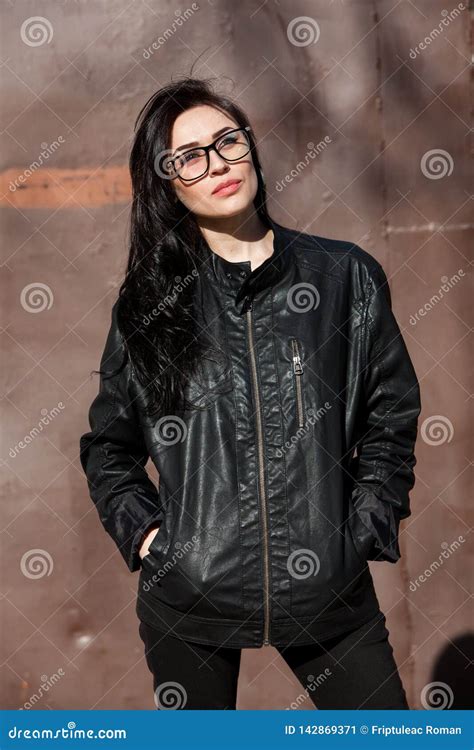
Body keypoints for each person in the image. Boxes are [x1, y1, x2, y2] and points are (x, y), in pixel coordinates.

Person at [79, 77, 421, 710]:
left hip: (327, 589)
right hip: (191, 600)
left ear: (250, 150)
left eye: (227, 141)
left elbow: (390, 413)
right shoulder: (152, 304)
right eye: (190, 157)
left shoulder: (343, 276)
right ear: (169, 184)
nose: (218, 164)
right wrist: (153, 540)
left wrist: (362, 527)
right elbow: (108, 447)